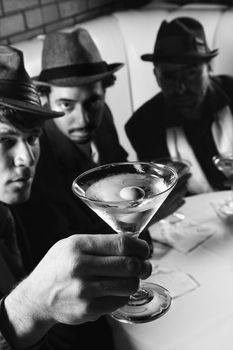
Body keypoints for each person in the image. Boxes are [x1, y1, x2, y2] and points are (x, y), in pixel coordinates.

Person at [0, 45, 152, 349]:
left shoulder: (7, 207)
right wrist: (27, 309)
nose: (26, 159)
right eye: (5, 140)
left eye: (32, 138)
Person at [125, 17, 233, 195]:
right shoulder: (142, 125)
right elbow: (160, 196)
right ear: (156, 76)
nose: (181, 88)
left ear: (209, 68)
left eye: (191, 73)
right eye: (169, 76)